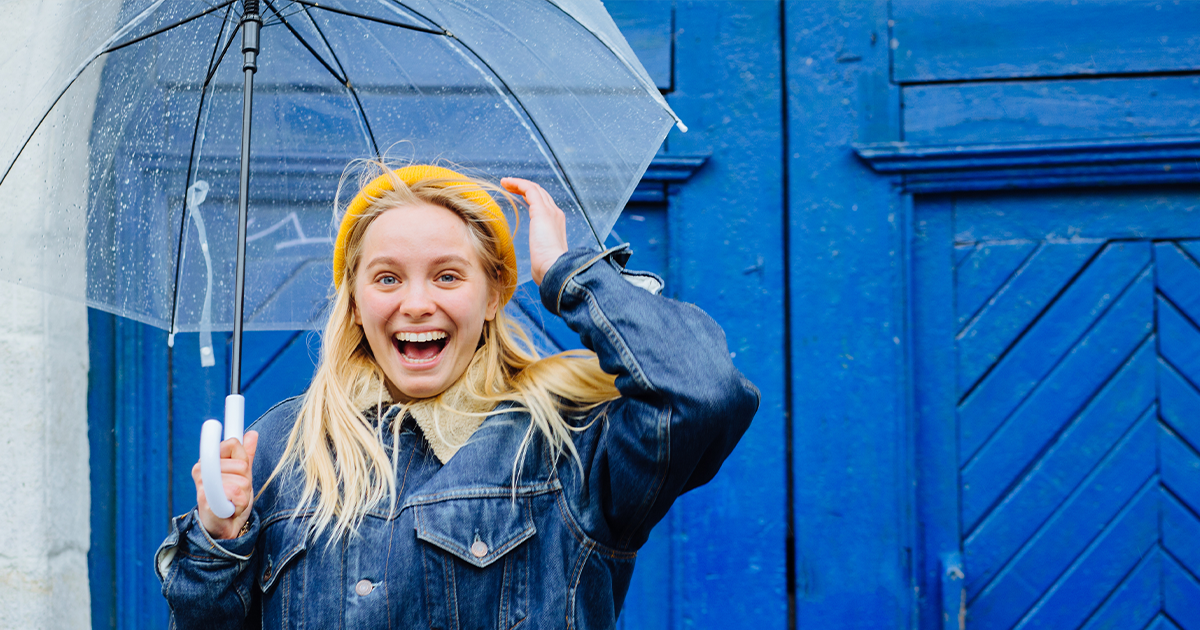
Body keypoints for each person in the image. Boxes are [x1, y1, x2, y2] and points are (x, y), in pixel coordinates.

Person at [155, 163, 759, 629]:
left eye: (447, 276)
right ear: (357, 302)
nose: (416, 303)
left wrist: (571, 273)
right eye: (387, 278)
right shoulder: (280, 449)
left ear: (495, 293)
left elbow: (704, 392)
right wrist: (218, 543)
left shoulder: (570, 443)